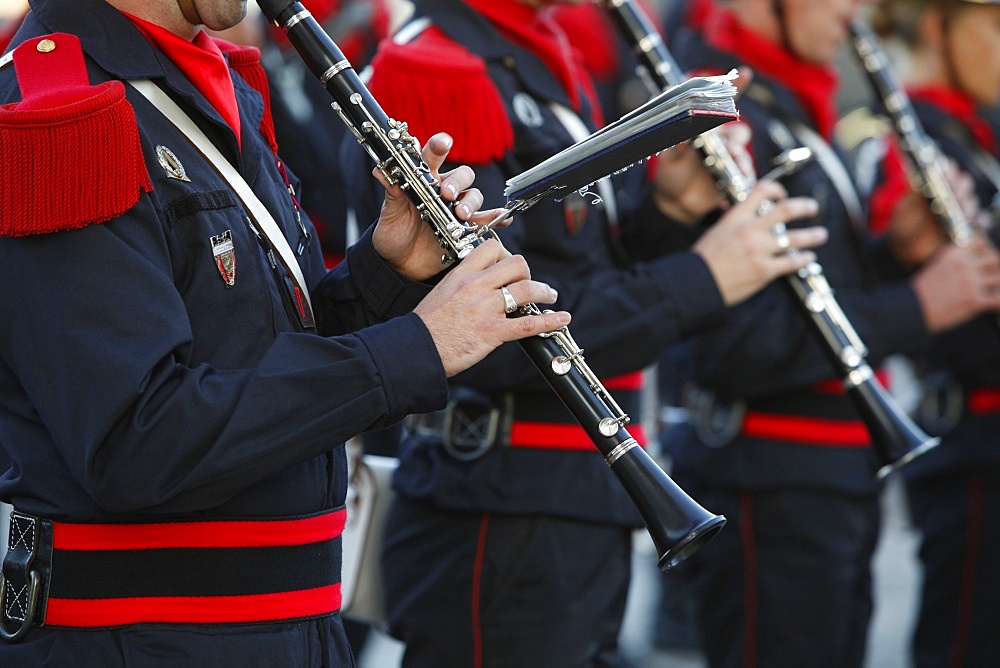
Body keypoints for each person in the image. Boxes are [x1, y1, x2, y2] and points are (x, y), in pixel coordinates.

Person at [0, 0, 576, 664]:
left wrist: (381, 274)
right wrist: (416, 347)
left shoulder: (205, 81)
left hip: (289, 627)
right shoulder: (57, 111)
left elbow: (252, 354)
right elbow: (140, 442)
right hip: (154, 638)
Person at [344, 0, 833, 664]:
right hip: (503, 512)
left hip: (575, 503)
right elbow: (496, 327)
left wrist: (670, 208)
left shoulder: (536, 55)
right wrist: (702, 277)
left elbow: (579, 263)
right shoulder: (432, 69)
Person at [649, 0, 1000, 665]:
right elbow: (737, 346)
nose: (855, 10)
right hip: (770, 485)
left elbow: (825, 290)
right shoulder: (730, 117)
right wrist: (919, 303)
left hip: (831, 479)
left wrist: (901, 252)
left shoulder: (798, 107)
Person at [865, 1, 1000, 665]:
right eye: (996, 25)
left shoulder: (981, 127)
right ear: (939, 26)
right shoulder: (912, 132)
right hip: (974, 444)